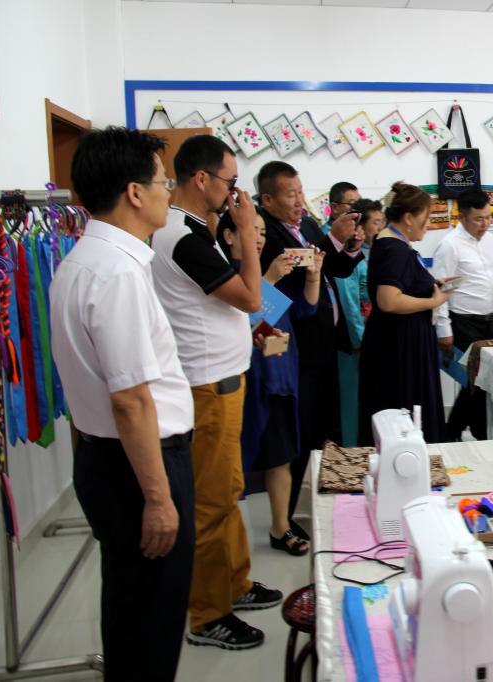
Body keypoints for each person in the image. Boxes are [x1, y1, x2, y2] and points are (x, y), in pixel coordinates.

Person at [50, 127, 193, 681]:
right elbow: (131, 401)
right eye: (164, 183)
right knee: (151, 619)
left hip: (109, 459)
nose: (168, 194)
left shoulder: (84, 261)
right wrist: (158, 499)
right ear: (135, 192)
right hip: (140, 467)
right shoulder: (115, 273)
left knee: (132, 608)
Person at [150, 134, 281, 651]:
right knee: (210, 502)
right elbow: (250, 298)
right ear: (201, 179)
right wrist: (247, 231)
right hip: (206, 387)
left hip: (224, 380)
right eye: (230, 182)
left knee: (229, 492)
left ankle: (235, 583)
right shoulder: (180, 237)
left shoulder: (193, 231)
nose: (234, 193)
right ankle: (207, 614)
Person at [257, 162, 363, 533]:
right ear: (267, 199)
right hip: (292, 347)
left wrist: (348, 246)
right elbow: (299, 277)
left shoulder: (306, 225)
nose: (300, 201)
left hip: (323, 343)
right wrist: (333, 239)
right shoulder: (266, 233)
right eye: (291, 194)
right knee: (299, 433)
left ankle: (324, 500)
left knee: (325, 426)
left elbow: (329, 268)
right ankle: (288, 517)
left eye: (301, 191)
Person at [217, 207, 322, 556]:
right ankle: (228, 544)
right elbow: (242, 322)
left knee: (281, 457)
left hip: (279, 377)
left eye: (262, 232)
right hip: (243, 384)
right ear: (229, 235)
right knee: (236, 465)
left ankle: (281, 527)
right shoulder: (223, 275)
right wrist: (270, 279)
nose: (259, 238)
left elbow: (303, 311)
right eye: (252, 230)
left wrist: (313, 276)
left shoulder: (260, 272)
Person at [358, 181, 450, 444]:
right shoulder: (394, 248)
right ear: (409, 218)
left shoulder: (395, 244)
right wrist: (432, 302)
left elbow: (402, 284)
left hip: (401, 341)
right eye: (426, 217)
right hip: (398, 347)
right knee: (401, 418)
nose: (428, 224)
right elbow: (389, 300)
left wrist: (432, 285)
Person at [433, 189, 493, 441]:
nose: (485, 224)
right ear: (461, 217)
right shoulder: (449, 245)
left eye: (488, 217)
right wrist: (444, 330)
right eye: (478, 219)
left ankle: (457, 430)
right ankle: (469, 432)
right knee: (474, 380)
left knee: (484, 380)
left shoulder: (490, 240)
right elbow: (441, 289)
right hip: (463, 321)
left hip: (488, 321)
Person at [330, 197, 383, 446]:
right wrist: (360, 341)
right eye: (376, 222)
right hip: (354, 342)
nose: (380, 227)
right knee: (351, 403)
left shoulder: (373, 252)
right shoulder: (350, 255)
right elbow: (350, 303)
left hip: (372, 337)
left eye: (382, 221)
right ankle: (351, 452)